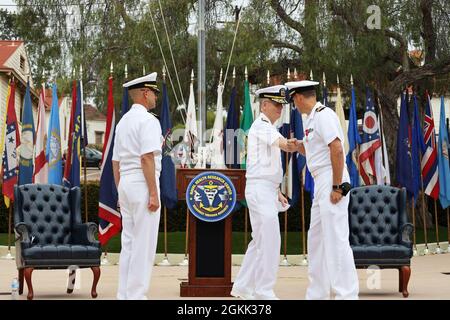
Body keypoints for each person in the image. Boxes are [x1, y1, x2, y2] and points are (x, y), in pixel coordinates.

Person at [285, 80, 359, 300]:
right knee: (316, 239)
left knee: (336, 238)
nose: (294, 105)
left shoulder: (324, 115)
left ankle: (347, 295)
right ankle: (317, 294)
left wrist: (337, 186)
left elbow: (336, 149)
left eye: (293, 100)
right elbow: (314, 150)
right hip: (320, 180)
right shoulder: (312, 119)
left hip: (331, 177)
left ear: (298, 97)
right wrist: (298, 145)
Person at [231, 85, 297, 300]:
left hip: (265, 189)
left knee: (259, 241)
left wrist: (276, 189)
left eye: (281, 106)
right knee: (269, 240)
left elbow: (268, 164)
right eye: (277, 105)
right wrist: (305, 144)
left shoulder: (267, 126)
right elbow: (284, 145)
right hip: (260, 189)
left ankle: (242, 288)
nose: (280, 110)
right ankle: (263, 290)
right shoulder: (261, 126)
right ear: (265, 105)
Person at [112, 72, 162, 300]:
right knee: (143, 245)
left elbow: (116, 161)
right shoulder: (149, 121)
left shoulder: (123, 122)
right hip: (143, 183)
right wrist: (153, 192)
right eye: (153, 92)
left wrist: (120, 190)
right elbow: (147, 158)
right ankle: (137, 296)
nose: (155, 97)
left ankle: (125, 295)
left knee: (129, 244)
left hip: (126, 183)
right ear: (145, 93)